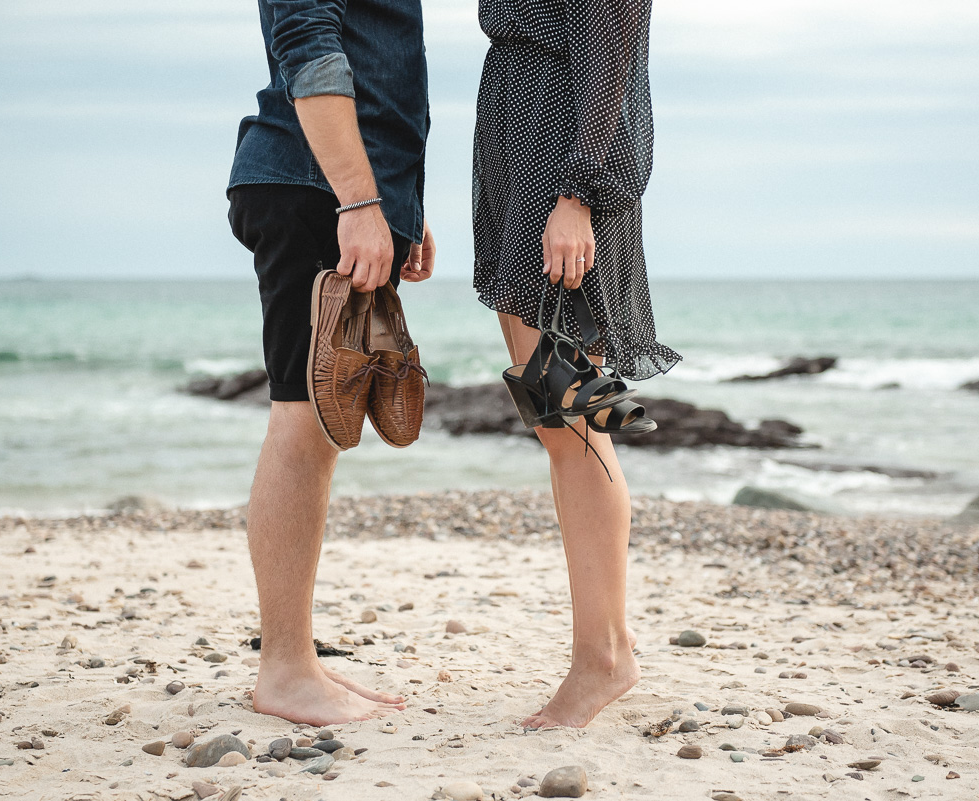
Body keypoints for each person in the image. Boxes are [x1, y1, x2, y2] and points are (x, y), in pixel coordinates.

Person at [472, 0, 681, 727]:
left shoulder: (573, 179)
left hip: (561, 160)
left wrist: (577, 192)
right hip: (520, 136)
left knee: (574, 418)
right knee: (557, 416)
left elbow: (613, 34)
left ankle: (604, 656)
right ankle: (605, 645)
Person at [225, 0, 434, 726]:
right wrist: (361, 200)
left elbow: (378, 64)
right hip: (312, 186)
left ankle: (296, 660)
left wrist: (399, 203)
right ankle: (283, 668)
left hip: (335, 190)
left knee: (314, 424)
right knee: (303, 419)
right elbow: (308, 45)